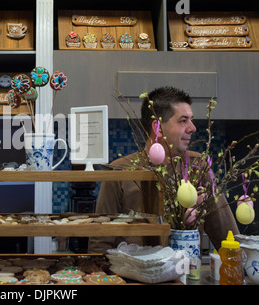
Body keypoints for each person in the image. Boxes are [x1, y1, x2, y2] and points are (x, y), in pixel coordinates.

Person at [88, 86, 239, 253]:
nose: (192, 128)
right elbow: (100, 243)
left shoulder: (198, 168)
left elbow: (228, 237)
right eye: (183, 121)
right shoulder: (120, 171)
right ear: (157, 127)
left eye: (191, 119)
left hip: (186, 274)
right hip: (133, 276)